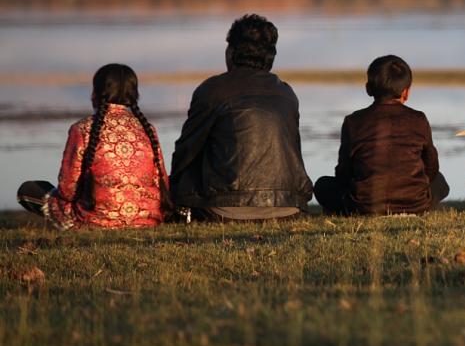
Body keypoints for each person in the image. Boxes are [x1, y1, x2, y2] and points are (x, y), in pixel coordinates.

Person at [170, 14, 312, 221]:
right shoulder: (287, 93)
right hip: (289, 207)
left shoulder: (213, 90)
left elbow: (186, 151)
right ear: (270, 57)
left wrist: (171, 190)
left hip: (226, 208)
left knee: (191, 162)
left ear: (232, 52)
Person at [17, 63, 170, 229]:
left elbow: (68, 190)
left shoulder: (82, 129)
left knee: (28, 190)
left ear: (95, 94)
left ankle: (68, 224)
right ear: (134, 94)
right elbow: (162, 182)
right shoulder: (148, 128)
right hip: (147, 220)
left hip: (94, 221)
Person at [314, 54, 449, 215]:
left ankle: (341, 213)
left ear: (368, 88)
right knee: (440, 181)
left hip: (364, 207)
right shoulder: (419, 119)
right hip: (415, 204)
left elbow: (344, 172)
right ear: (406, 93)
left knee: (322, 185)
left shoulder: (353, 121)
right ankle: (421, 210)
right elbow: (432, 167)